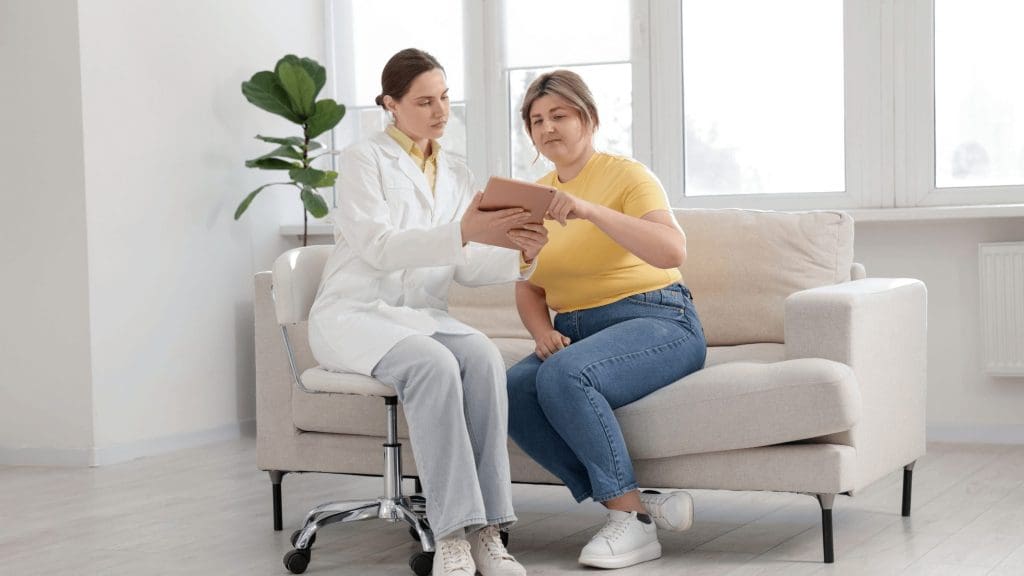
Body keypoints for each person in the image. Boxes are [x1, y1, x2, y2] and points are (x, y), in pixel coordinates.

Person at [308, 48, 547, 576]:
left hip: (420, 317)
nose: (440, 111)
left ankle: (489, 531)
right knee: (434, 364)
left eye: (444, 98)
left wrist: (521, 254)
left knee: (483, 356)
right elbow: (378, 247)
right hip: (354, 314)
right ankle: (451, 534)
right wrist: (463, 231)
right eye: (424, 102)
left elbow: (466, 264)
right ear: (390, 104)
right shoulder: (362, 160)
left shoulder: (456, 172)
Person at [506, 70, 707, 570]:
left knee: (565, 375)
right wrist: (542, 332)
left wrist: (590, 211)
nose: (547, 128)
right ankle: (632, 504)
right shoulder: (533, 197)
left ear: (589, 119)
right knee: (513, 389)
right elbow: (529, 285)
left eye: (559, 115)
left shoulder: (627, 176)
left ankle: (630, 522)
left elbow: (671, 250)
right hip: (575, 329)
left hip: (659, 317)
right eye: (536, 120)